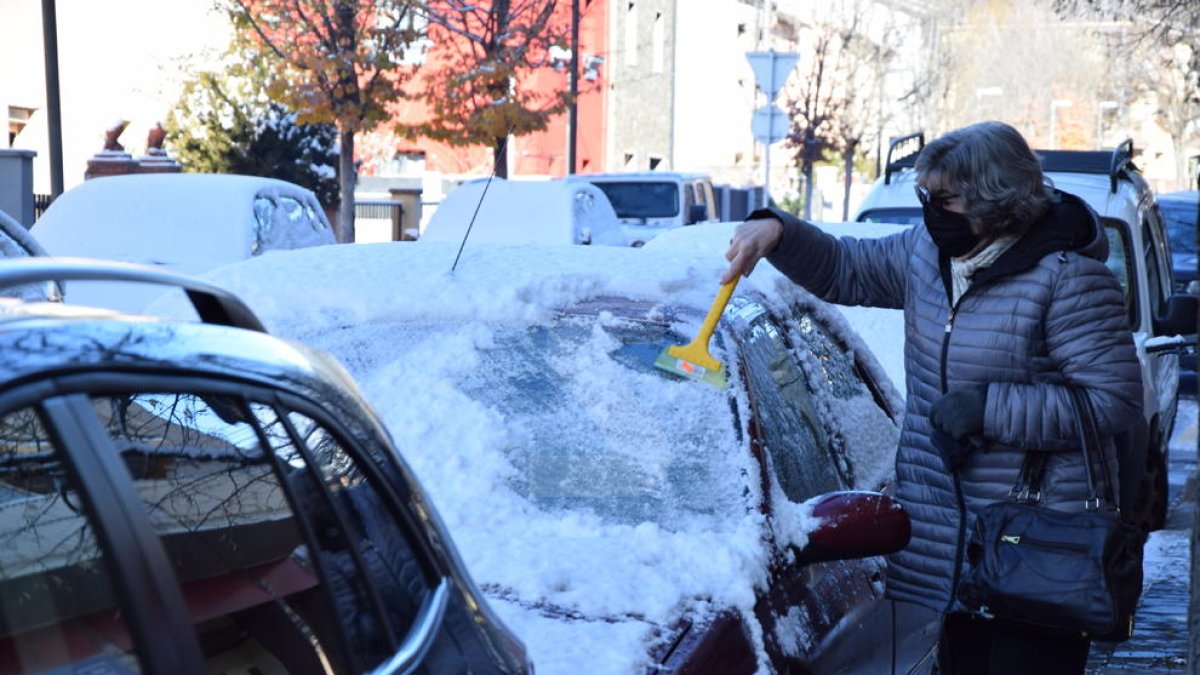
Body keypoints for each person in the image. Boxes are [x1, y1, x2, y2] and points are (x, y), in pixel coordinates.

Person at [722, 120, 1143, 674]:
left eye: (944, 198)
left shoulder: (1066, 279)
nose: (930, 209)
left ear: (998, 201)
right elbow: (845, 269)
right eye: (926, 195)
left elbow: (1113, 400)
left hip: (1034, 548)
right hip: (946, 548)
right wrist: (777, 229)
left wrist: (988, 409)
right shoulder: (927, 254)